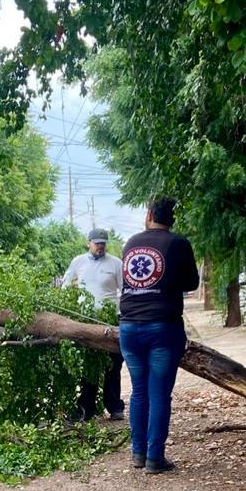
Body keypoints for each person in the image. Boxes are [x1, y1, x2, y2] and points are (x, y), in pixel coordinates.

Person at [118, 198, 199, 473]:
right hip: (163, 328)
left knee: (139, 391)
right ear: (172, 218)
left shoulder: (130, 243)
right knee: (159, 393)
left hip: (128, 327)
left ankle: (137, 453)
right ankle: (155, 458)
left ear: (149, 214)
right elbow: (191, 282)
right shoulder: (178, 243)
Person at [61, 228, 125, 421]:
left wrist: (121, 315)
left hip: (111, 319)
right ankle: (85, 408)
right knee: (89, 366)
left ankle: (114, 406)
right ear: (88, 242)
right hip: (85, 320)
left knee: (113, 365)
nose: (100, 246)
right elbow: (65, 284)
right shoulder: (78, 261)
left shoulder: (116, 264)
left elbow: (125, 291)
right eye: (97, 243)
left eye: (103, 243)